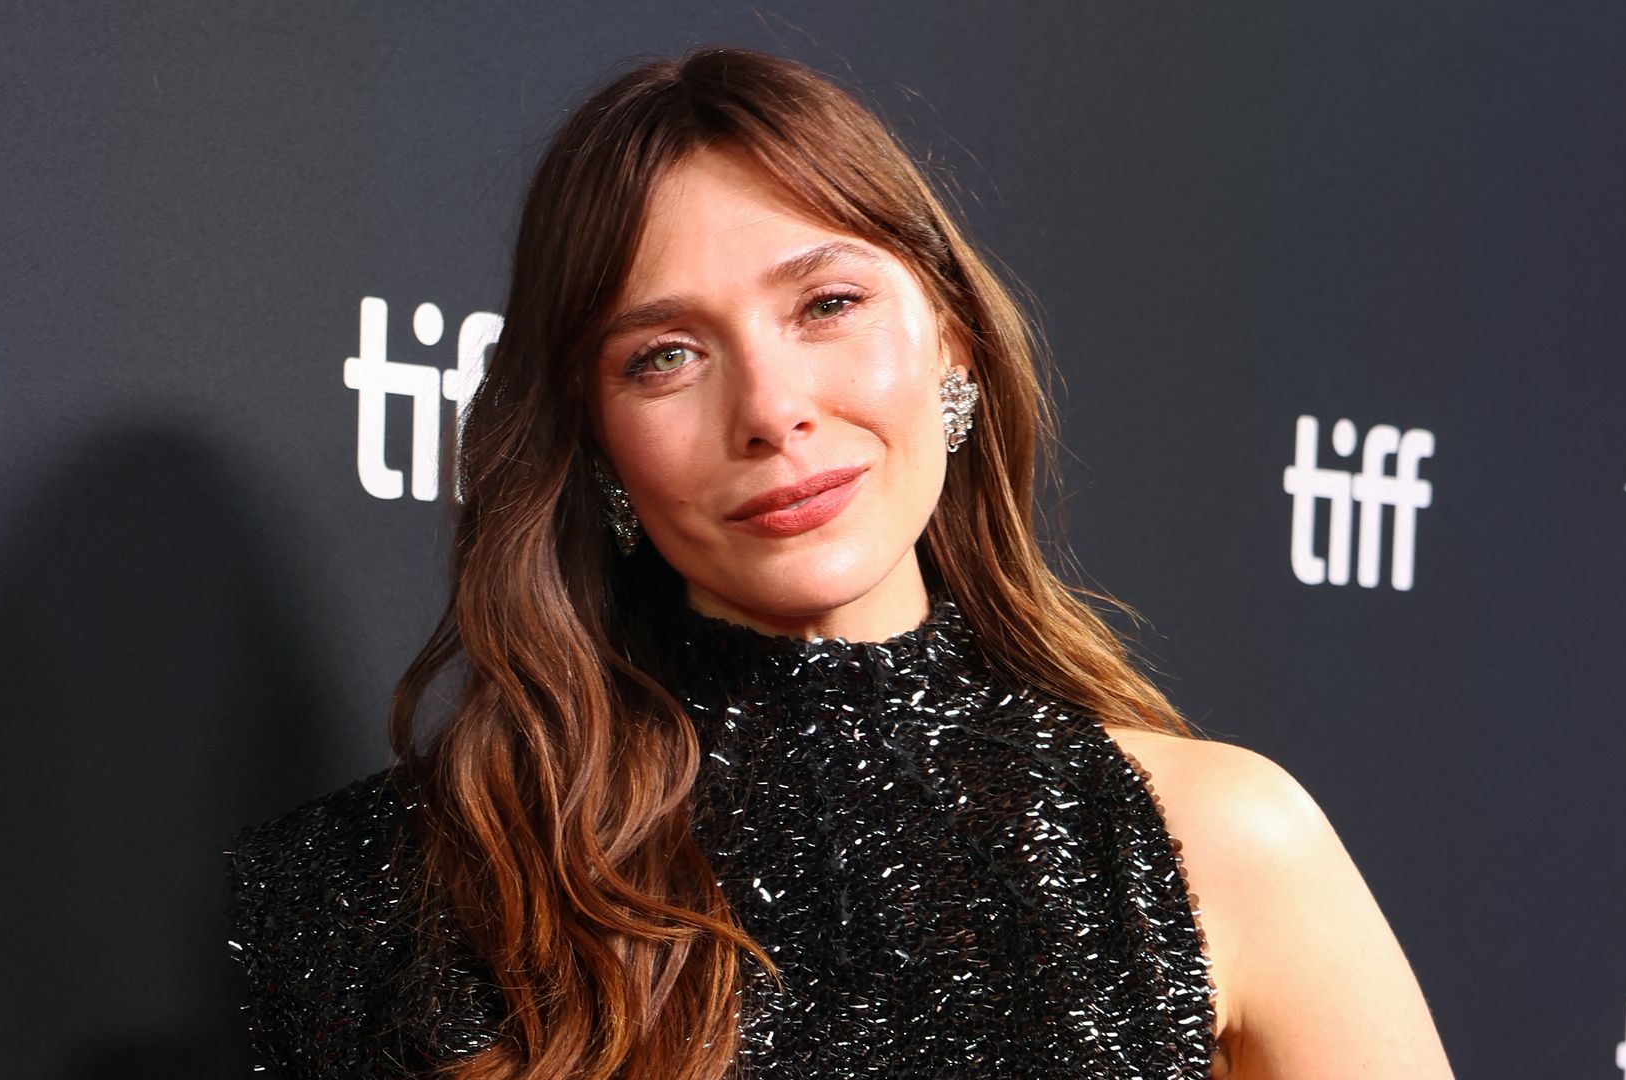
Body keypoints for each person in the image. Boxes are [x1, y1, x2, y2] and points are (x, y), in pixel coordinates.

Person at [226, 45, 1455, 1080]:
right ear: (593, 438)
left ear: (953, 344)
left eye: (826, 306)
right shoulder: (379, 890)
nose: (771, 409)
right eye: (664, 355)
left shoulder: (1218, 843)